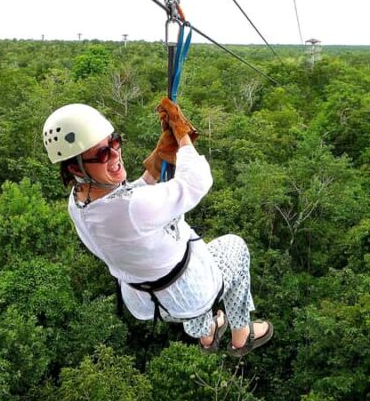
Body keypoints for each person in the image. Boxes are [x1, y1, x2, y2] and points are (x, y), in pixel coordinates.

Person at [42, 99, 272, 356]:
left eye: (114, 142)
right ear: (76, 167)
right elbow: (196, 182)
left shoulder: (78, 203)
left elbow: (126, 203)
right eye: (103, 154)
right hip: (188, 290)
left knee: (191, 286)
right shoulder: (133, 209)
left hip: (145, 302)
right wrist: (182, 136)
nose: (115, 154)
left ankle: (208, 333)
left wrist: (154, 166)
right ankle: (242, 335)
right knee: (235, 248)